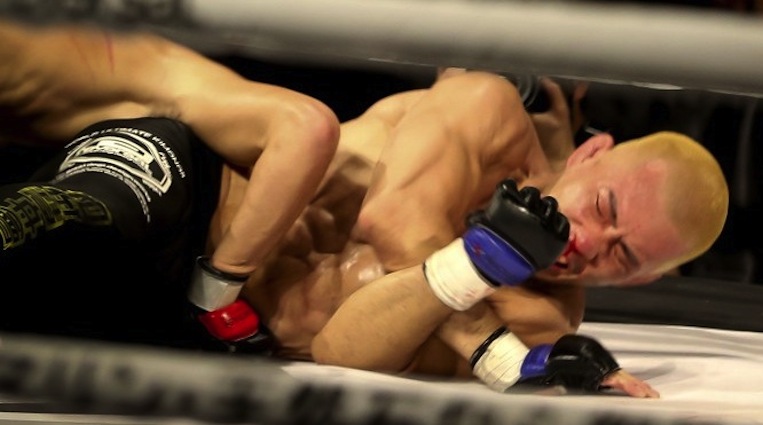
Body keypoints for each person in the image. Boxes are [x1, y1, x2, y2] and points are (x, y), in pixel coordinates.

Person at [0, 21, 727, 398]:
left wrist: (473, 273)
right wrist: (495, 340)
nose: (588, 240)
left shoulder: (544, 319)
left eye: (621, 254)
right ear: (591, 152)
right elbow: (393, 217)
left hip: (195, 331)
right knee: (84, 217)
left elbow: (340, 352)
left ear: (640, 281)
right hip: (193, 197)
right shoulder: (488, 113)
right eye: (602, 206)